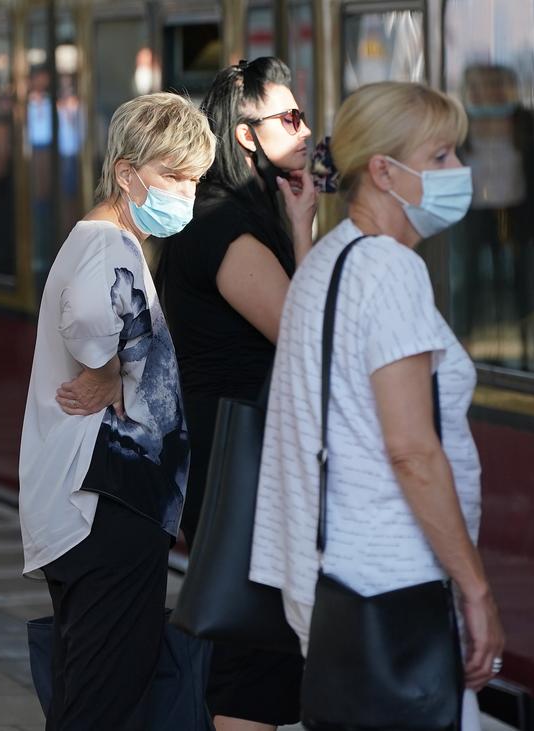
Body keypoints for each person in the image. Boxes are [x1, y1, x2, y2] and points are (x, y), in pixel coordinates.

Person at [250, 81, 506, 730]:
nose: (458, 170)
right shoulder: (391, 271)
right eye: (441, 155)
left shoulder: (326, 262)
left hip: (327, 576)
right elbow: (412, 450)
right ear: (385, 172)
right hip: (391, 586)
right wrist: (475, 588)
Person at [19, 92, 215, 729]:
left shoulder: (98, 239)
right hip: (108, 503)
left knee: (88, 688)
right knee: (105, 698)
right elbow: (87, 315)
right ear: (127, 174)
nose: (185, 193)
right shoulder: (110, 246)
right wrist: (104, 367)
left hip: (98, 502)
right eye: (174, 175)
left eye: (194, 179)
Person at [156, 57, 315, 731]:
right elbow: (304, 334)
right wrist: (304, 227)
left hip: (234, 451)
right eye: (290, 118)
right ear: (247, 136)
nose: (304, 129)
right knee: (255, 654)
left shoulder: (229, 217)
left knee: (263, 645)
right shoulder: (225, 226)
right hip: (240, 460)